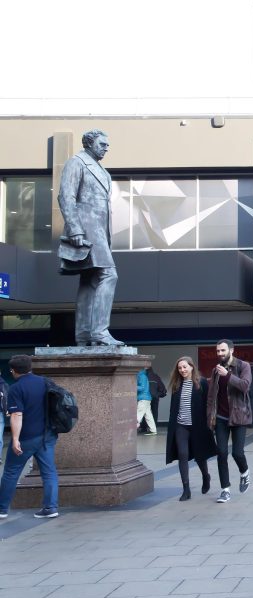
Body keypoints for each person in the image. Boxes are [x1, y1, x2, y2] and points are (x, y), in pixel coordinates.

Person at [57, 129, 123, 346]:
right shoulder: (77, 162)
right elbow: (66, 196)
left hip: (100, 232)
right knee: (108, 275)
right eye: (102, 144)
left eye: (108, 144)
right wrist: (75, 229)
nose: (106, 147)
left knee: (91, 280)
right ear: (89, 143)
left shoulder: (103, 171)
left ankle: (84, 335)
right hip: (87, 229)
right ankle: (100, 332)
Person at [0, 355, 58, 518]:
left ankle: (2, 509)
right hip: (47, 435)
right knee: (49, 472)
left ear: (13, 371)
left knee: (11, 471)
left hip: (27, 437)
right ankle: (50, 508)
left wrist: (16, 439)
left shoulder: (16, 388)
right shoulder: (45, 382)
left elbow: (17, 414)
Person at [206, 339, 253, 503]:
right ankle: (225, 489)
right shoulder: (215, 370)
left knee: (237, 453)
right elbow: (211, 396)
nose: (220, 354)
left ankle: (245, 472)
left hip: (239, 416)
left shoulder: (243, 366)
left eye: (223, 350)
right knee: (221, 453)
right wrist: (209, 418)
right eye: (218, 351)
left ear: (231, 350)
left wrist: (228, 375)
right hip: (220, 418)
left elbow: (245, 386)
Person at [164, 356, 217, 501]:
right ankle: (186, 489)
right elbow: (173, 408)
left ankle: (206, 476)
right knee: (183, 454)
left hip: (198, 426)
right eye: (180, 368)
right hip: (181, 426)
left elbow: (209, 404)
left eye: (185, 367)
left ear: (192, 367)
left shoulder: (202, 383)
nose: (182, 370)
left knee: (200, 456)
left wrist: (210, 423)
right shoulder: (176, 384)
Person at [136, 367, 157, 436]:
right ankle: (153, 430)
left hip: (143, 398)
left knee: (138, 414)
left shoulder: (141, 376)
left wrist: (132, 386)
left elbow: (142, 388)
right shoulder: (143, 375)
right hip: (146, 398)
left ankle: (133, 430)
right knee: (148, 416)